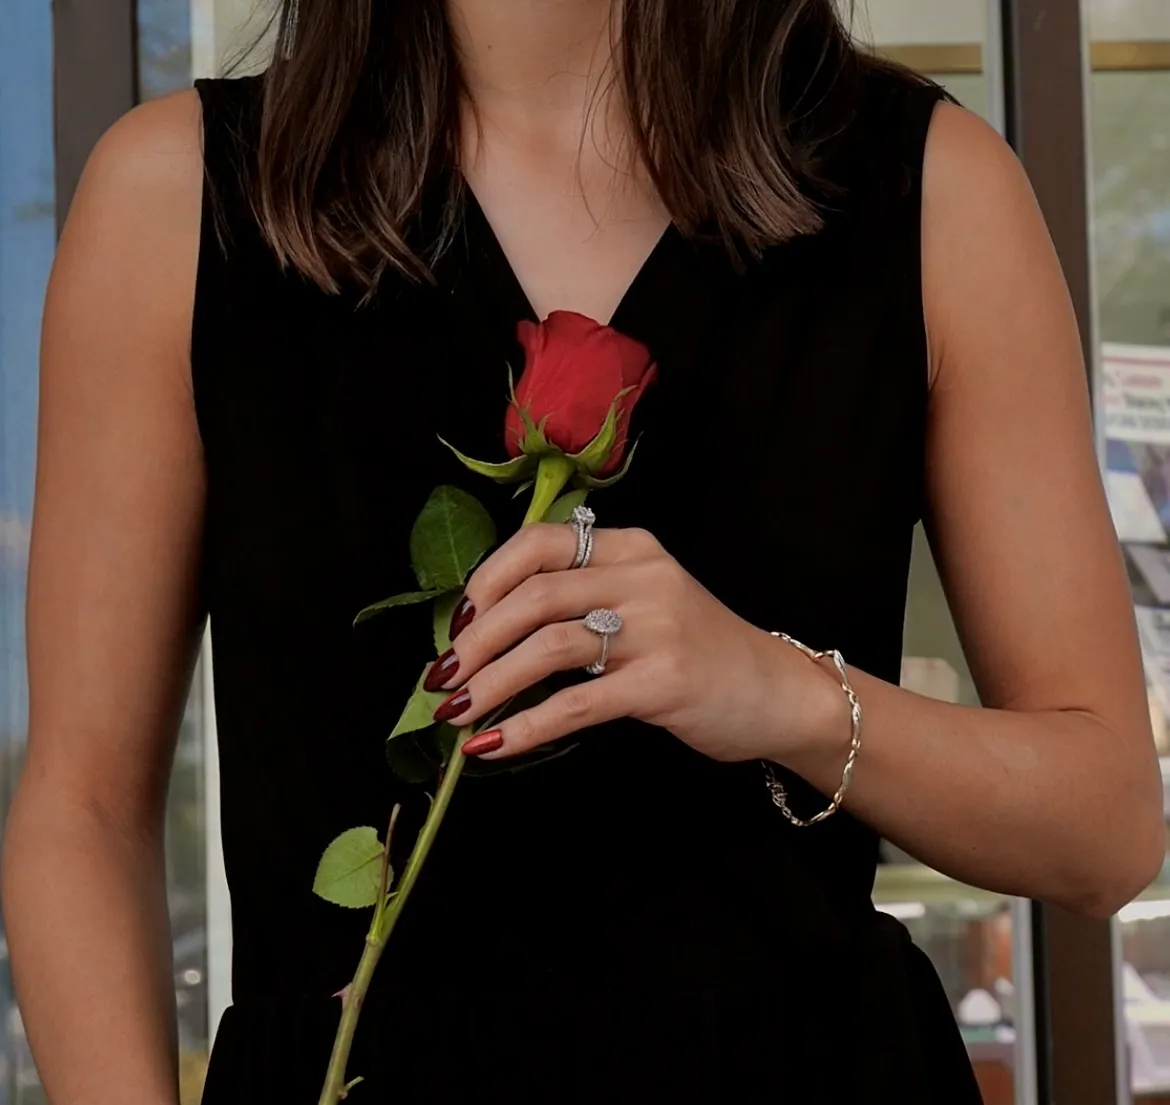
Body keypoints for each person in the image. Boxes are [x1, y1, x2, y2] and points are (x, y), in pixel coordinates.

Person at [3, 0, 1164, 1101]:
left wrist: (780, 693)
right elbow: (82, 809)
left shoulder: (935, 194)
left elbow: (1108, 827)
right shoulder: (176, 200)